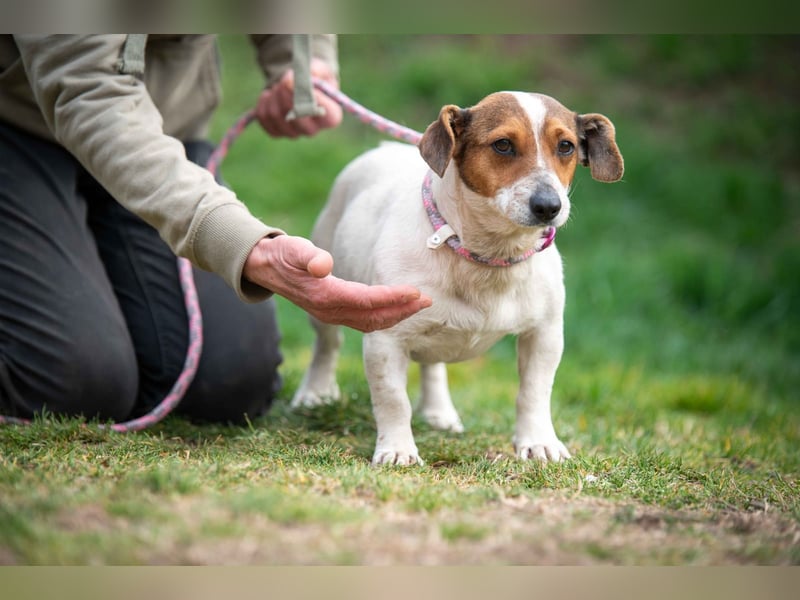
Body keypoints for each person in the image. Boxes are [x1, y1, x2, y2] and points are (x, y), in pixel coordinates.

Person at [0, 34, 431, 424]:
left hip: (169, 133)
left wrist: (300, 60)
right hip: (22, 125)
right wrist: (246, 247)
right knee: (69, 384)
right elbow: (88, 90)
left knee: (230, 383)